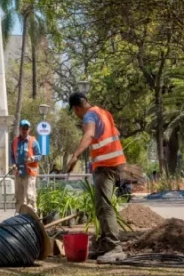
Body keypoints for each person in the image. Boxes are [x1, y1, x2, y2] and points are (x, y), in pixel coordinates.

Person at [66, 92, 126, 263]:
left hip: (106, 164)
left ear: (77, 108)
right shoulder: (104, 113)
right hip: (114, 162)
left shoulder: (89, 116)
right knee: (101, 204)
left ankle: (115, 248)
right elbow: (116, 133)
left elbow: (90, 134)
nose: (77, 115)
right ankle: (104, 245)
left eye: (75, 112)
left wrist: (75, 155)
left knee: (105, 206)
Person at [11, 120, 42, 213]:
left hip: (29, 173)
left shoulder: (33, 141)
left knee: (30, 196)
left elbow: (39, 156)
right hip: (18, 173)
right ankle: (19, 217)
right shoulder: (15, 141)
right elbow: (12, 156)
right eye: (23, 128)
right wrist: (13, 164)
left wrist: (32, 158)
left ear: (29, 129)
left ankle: (32, 218)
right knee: (18, 197)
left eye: (26, 128)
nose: (24, 130)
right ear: (20, 129)